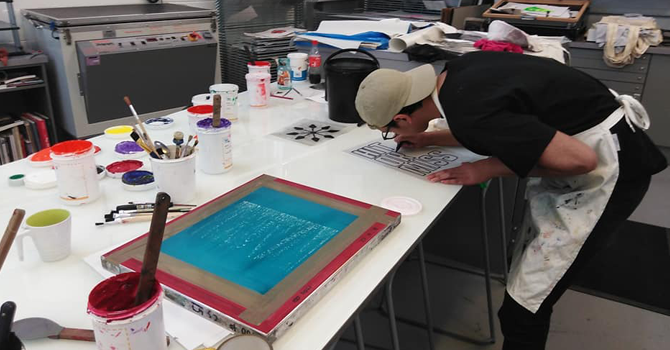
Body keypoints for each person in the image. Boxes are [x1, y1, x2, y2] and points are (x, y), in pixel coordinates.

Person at [355, 51, 667, 349]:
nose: (393, 138)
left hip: (609, 171)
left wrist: (485, 168)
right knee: (525, 283)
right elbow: (496, 120)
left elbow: (582, 160)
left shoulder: (469, 112)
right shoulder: (458, 73)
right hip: (600, 135)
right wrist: (431, 137)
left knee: (524, 309)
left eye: (389, 132)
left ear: (401, 118)